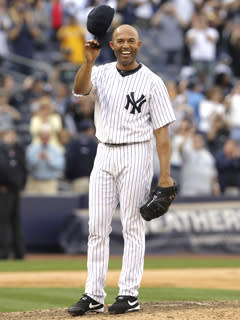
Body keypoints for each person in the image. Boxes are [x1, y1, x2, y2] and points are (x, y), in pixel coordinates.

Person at [67, 24, 176, 316]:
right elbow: (79, 90)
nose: (125, 45)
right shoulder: (100, 72)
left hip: (136, 152)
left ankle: (129, 294)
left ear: (139, 44)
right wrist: (88, 61)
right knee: (97, 228)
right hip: (103, 152)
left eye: (131, 40)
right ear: (112, 45)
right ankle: (93, 294)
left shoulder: (153, 81)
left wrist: (164, 175)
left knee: (131, 225)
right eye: (120, 41)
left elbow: (162, 134)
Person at [0, 128, 27, 259]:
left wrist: (22, 186)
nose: (12, 137)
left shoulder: (18, 149)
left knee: (16, 221)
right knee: (3, 222)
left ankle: (19, 253)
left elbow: (23, 168)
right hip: (4, 190)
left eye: (13, 134)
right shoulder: (1, 149)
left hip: (16, 190)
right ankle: (3, 253)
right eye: (9, 134)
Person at [25, 125, 65, 195]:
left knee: (49, 204)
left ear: (50, 136)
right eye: (43, 135)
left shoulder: (56, 149)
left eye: (46, 135)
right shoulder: (31, 148)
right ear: (39, 136)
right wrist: (37, 159)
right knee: (32, 204)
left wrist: (49, 159)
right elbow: (27, 165)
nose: (44, 137)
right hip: (34, 182)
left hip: (49, 183)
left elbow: (60, 166)